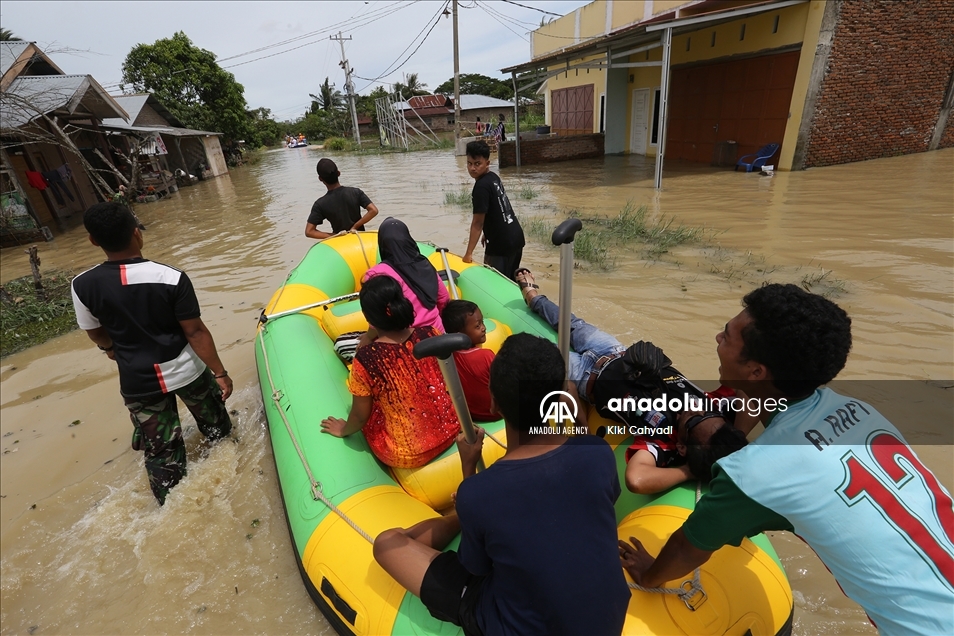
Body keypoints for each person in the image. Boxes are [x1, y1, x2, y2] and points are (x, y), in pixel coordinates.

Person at [619, 283, 954, 635]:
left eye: (728, 336)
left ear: (756, 372)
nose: (718, 337)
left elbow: (688, 549)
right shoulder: (858, 410)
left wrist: (650, 573)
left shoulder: (757, 470)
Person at [372, 333, 630, 635]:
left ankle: (456, 517)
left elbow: (477, 568)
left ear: (494, 403)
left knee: (387, 543)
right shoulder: (599, 454)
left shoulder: (480, 493)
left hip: (512, 625)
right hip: (610, 620)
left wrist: (469, 469)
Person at [516, 267, 750, 493]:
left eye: (692, 420)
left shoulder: (664, 441)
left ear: (682, 445)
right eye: (708, 413)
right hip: (615, 350)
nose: (696, 408)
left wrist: (690, 471)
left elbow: (636, 480)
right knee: (573, 323)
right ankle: (533, 296)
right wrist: (735, 435)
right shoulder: (719, 407)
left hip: (587, 377)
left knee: (536, 353)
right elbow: (752, 389)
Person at [71, 202, 233, 505]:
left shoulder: (81, 285)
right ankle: (230, 477)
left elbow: (93, 330)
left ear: (93, 240)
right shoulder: (171, 277)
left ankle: (173, 507)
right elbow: (195, 332)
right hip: (187, 372)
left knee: (161, 452)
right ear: (137, 233)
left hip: (138, 381)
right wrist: (220, 373)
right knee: (217, 427)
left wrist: (109, 349)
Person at [320, 275, 460, 468]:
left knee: (373, 406)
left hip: (409, 453)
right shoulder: (430, 333)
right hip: (452, 431)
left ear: (369, 318)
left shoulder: (367, 358)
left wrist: (343, 429)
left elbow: (360, 416)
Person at [363, 217, 448, 334]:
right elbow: (443, 298)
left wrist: (368, 337)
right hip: (437, 332)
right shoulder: (424, 264)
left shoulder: (375, 274)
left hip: (403, 339)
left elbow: (375, 316)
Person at [462, 140, 525, 280]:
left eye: (477, 164)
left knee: (495, 283)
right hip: (516, 237)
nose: (472, 168)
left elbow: (477, 223)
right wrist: (488, 232)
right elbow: (501, 206)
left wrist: (468, 254)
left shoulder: (480, 188)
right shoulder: (493, 177)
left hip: (501, 246)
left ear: (487, 163)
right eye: (469, 163)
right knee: (512, 281)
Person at [441, 300, 495, 422]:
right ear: (460, 334)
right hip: (496, 413)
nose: (484, 328)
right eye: (478, 326)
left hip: (474, 415)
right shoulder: (486, 356)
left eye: (483, 322)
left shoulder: (447, 357)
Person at [305, 158, 379, 240]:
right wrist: (355, 226)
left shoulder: (320, 204)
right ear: (338, 173)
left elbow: (309, 231)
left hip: (340, 245)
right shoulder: (355, 192)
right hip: (360, 240)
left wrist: (335, 236)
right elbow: (373, 210)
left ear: (320, 178)